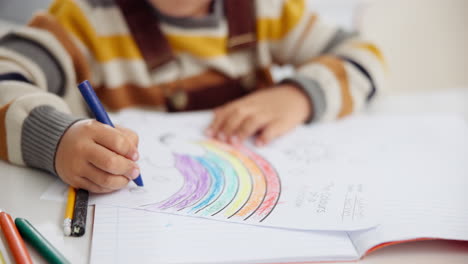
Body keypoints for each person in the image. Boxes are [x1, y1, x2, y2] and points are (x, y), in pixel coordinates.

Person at [0, 0, 385, 193]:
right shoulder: (83, 20)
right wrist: (58, 140)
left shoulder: (266, 11)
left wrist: (299, 96)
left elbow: (365, 55)